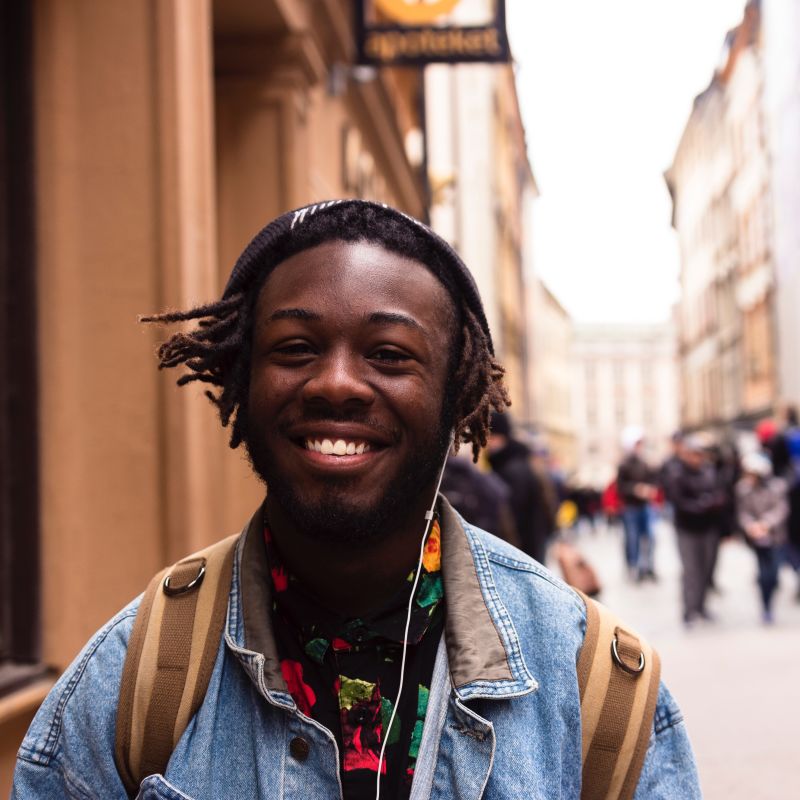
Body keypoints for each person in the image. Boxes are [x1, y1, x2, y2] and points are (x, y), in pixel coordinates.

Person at [12, 200, 700, 799]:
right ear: (241, 381)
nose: (337, 383)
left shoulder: (596, 694)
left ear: (457, 396)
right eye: (296, 347)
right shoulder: (134, 684)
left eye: (390, 355)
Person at [486, 411, 554, 565]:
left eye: (491, 437)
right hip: (534, 545)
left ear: (502, 436)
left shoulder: (509, 469)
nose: (488, 443)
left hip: (522, 549)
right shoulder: (522, 461)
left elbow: (514, 517)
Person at [671, 435, 724, 627]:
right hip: (687, 528)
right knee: (691, 570)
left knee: (707, 568)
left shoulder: (709, 471)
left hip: (708, 527)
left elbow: (719, 492)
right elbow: (678, 501)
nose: (696, 458)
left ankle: (702, 606)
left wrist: (711, 502)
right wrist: (700, 505)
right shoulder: (678, 474)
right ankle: (689, 610)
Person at [736, 452, 788, 624]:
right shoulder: (743, 489)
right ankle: (765, 607)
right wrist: (751, 525)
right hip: (756, 537)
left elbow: (781, 508)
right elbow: (743, 511)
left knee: (773, 574)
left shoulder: (777, 486)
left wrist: (766, 524)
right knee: (763, 574)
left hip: (774, 536)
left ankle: (770, 599)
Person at [617, 429, 659, 581]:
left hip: (645, 505)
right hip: (630, 507)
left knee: (650, 537)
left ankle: (647, 566)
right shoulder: (624, 464)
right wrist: (635, 489)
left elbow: (654, 480)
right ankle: (633, 567)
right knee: (632, 539)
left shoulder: (645, 463)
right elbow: (620, 487)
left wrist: (650, 489)